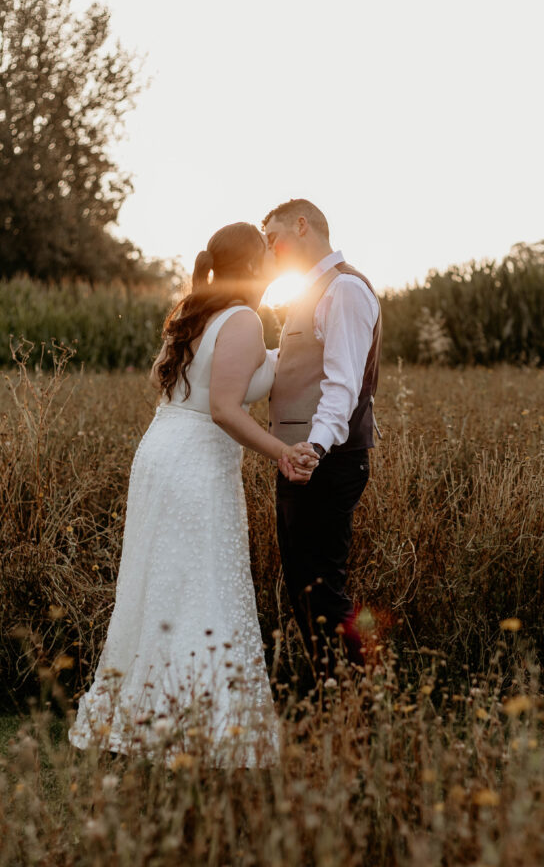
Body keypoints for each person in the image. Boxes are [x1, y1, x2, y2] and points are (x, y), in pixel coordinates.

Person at [67, 222, 318, 767]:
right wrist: (282, 451)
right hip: (196, 461)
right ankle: (194, 724)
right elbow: (226, 409)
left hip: (162, 452)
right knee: (199, 583)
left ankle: (140, 720)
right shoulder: (243, 319)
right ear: (253, 267)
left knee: (161, 583)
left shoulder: (196, 313)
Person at [262, 199, 382, 683]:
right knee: (303, 588)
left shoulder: (345, 290)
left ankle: (357, 691)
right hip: (301, 461)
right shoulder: (311, 293)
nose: (271, 252)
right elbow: (291, 366)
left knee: (322, 589)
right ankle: (329, 690)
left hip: (324, 461)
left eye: (273, 239)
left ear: (303, 225)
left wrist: (314, 448)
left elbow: (342, 385)